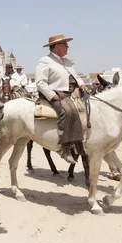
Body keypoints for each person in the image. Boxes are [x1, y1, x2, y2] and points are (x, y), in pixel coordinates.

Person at [35, 33, 89, 164]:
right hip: (56, 93)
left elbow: (76, 76)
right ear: (56, 46)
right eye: (65, 45)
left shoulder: (67, 61)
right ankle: (64, 148)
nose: (67, 47)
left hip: (71, 93)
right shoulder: (45, 60)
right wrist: (51, 95)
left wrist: (82, 84)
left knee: (88, 109)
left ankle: (80, 143)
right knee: (68, 112)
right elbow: (40, 82)